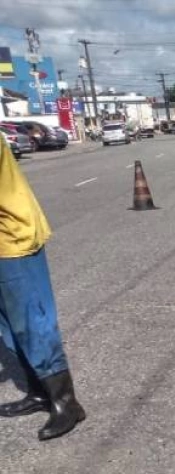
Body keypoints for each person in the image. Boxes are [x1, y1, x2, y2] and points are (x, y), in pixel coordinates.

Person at [0, 135, 85, 441]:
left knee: (32, 323)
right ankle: (38, 392)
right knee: (9, 327)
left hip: (11, 240)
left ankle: (66, 403)